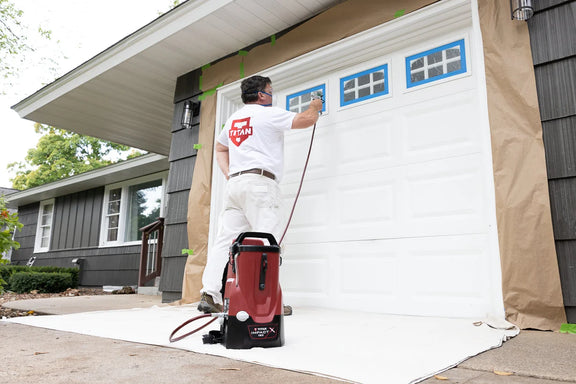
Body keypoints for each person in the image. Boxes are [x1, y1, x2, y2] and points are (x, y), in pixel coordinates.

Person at [198, 75, 323, 314]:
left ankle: (209, 293)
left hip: (235, 185)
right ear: (261, 95)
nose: (272, 94)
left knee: (225, 241)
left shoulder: (233, 120)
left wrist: (228, 173)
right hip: (260, 184)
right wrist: (315, 105)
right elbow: (307, 120)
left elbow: (220, 147)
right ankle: (266, 301)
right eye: (270, 91)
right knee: (269, 241)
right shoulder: (268, 113)